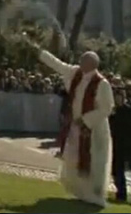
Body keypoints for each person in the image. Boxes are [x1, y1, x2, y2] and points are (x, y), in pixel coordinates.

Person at [38, 47, 114, 206]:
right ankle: (78, 190)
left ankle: (92, 194)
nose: (79, 63)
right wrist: (40, 53)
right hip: (75, 126)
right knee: (72, 158)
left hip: (94, 130)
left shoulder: (102, 84)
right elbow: (57, 65)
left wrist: (86, 120)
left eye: (83, 61)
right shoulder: (75, 73)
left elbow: (106, 108)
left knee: (93, 162)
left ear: (91, 64)